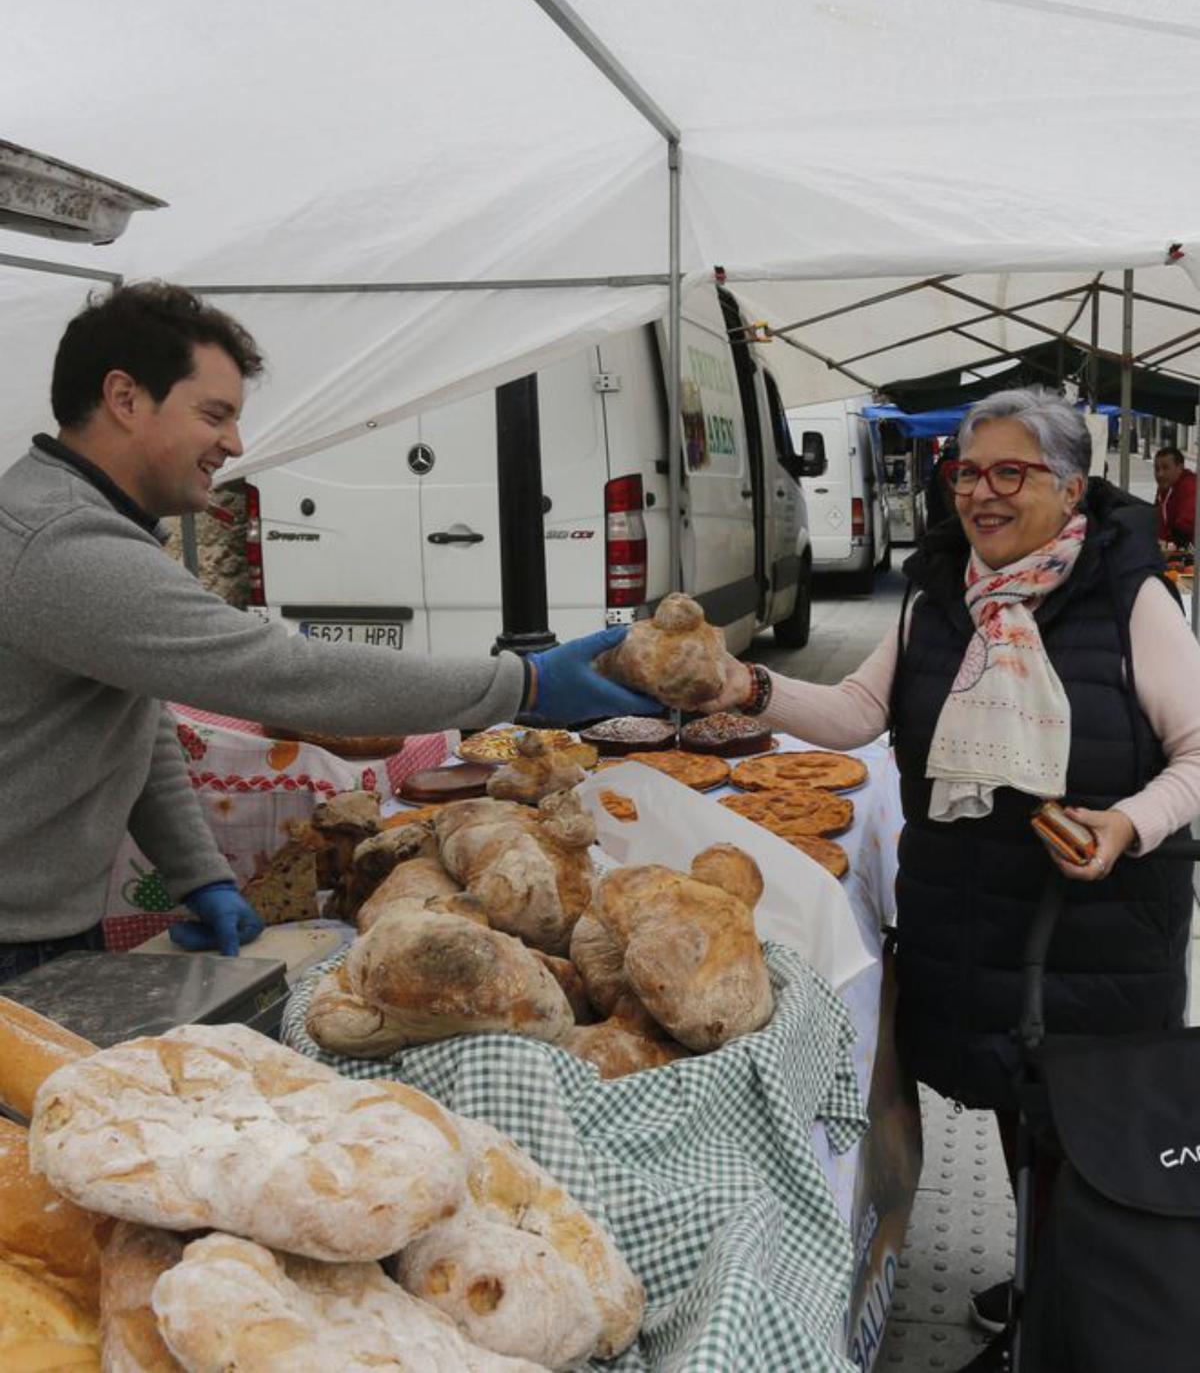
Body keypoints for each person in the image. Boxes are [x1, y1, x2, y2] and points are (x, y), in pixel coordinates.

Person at [704, 389, 1200, 1371]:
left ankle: (1084, 1321)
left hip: (1093, 925)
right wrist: (748, 687)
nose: (982, 492)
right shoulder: (942, 589)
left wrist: (1126, 822)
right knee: (1026, 1121)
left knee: (1087, 1133)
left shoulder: (1131, 592)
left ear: (1070, 485)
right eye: (968, 471)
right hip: (971, 921)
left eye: (1010, 472)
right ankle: (1046, 1290)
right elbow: (855, 710)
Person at [0, 282, 658, 984]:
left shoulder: (77, 523)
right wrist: (522, 683)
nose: (234, 443)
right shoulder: (62, 545)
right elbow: (281, 672)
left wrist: (201, 877)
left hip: (42, 930)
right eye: (215, 415)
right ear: (125, 398)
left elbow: (137, 717)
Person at [1153, 444, 1197, 549]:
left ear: (1180, 468)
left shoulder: (1190, 486)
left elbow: (1184, 529)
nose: (1160, 474)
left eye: (1165, 468)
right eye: (1157, 469)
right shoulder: (1164, 488)